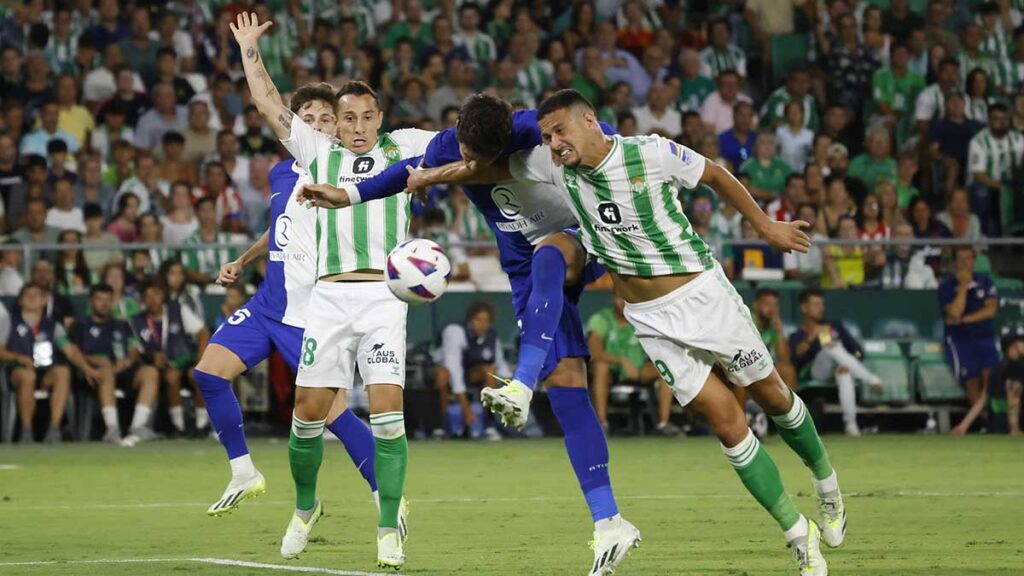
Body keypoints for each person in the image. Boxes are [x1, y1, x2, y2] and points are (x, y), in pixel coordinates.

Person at [415, 89, 843, 575]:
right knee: (726, 423)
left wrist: (766, 226)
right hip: (650, 319)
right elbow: (482, 169)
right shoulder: (551, 167)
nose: (553, 143)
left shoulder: (649, 152)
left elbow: (716, 175)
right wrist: (426, 175)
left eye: (561, 132)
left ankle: (826, 482)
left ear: (590, 122)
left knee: (773, 397)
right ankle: (798, 534)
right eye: (548, 136)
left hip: (703, 295)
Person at [299, 93, 638, 576]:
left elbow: (592, 140)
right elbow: (407, 172)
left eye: (477, 158)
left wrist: (444, 175)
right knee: (565, 388)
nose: (467, 160)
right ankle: (610, 523)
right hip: (521, 260)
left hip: (582, 232)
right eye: (464, 151)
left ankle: (519, 383)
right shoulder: (447, 143)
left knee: (551, 253)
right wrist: (350, 195)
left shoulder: (528, 129)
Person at [233, 12, 430, 568]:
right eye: (349, 117)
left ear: (380, 118)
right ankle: (304, 508)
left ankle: (389, 526)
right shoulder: (316, 154)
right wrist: (250, 48)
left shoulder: (405, 147)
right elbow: (269, 103)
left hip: (385, 301)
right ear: (335, 124)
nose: (359, 125)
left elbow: (466, 140)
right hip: (328, 300)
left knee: (388, 414)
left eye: (369, 116)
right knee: (307, 416)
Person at [195, 83, 394, 529]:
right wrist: (244, 259)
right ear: (295, 123)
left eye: (327, 119)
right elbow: (280, 226)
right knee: (209, 372)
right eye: (310, 118)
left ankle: (389, 496)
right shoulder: (282, 173)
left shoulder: (345, 175)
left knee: (334, 415)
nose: (318, 126)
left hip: (310, 312)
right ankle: (244, 473)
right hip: (269, 302)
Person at [0, 282, 102, 443]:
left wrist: (86, 368)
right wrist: (18, 358)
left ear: (44, 300)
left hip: (44, 371)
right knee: (27, 377)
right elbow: (0, 350)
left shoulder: (53, 326)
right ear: (20, 301)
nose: (33, 299)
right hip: (18, 371)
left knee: (63, 372)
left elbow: (70, 350)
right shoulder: (9, 321)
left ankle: (54, 429)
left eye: (37, 295)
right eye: (28, 295)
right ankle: (27, 431)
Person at [71, 283, 157, 444]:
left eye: (108, 300)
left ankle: (138, 427)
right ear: (91, 301)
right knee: (106, 368)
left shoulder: (122, 324)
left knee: (150, 372)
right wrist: (94, 360)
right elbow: (75, 352)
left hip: (122, 369)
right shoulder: (81, 326)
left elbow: (133, 348)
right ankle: (112, 428)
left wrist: (127, 361)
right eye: (99, 299)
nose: (104, 304)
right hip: (95, 374)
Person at [126, 281, 210, 443]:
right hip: (164, 366)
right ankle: (178, 426)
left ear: (163, 295)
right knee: (172, 377)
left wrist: (201, 361)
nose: (153, 299)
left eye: (156, 294)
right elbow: (137, 350)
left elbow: (203, 333)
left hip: (188, 359)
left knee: (197, 375)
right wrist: (152, 357)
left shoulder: (178, 310)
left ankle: (202, 423)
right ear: (142, 300)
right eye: (148, 296)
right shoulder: (136, 321)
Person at [790, 289, 882, 438]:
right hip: (816, 372)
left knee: (843, 370)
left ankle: (851, 424)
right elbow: (796, 358)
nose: (821, 308)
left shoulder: (835, 326)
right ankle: (869, 378)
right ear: (804, 308)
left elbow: (858, 351)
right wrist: (813, 336)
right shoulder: (798, 334)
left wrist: (848, 360)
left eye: (822, 304)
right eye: (815, 304)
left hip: (839, 368)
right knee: (830, 347)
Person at [587, 295, 679, 436]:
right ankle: (602, 424)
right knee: (601, 367)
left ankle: (663, 424)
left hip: (639, 368)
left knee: (665, 368)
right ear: (613, 299)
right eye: (619, 299)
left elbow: (659, 346)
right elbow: (595, 352)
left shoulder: (641, 318)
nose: (622, 303)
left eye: (626, 299)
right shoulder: (602, 319)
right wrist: (623, 362)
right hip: (612, 371)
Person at [939, 247, 1000, 436]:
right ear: (955, 262)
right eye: (961, 259)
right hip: (960, 339)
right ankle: (981, 420)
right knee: (972, 379)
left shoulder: (985, 281)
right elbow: (954, 311)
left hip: (985, 336)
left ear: (974, 261)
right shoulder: (947, 285)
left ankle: (995, 418)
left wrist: (964, 320)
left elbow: (990, 310)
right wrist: (964, 287)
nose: (965, 262)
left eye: (969, 258)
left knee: (990, 379)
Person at [434, 300, 510, 439]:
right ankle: (442, 427)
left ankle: (489, 425)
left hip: (470, 375)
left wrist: (516, 389)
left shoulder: (492, 335)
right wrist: (466, 409)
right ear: (470, 320)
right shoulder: (454, 331)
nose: (483, 324)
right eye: (478, 320)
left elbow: (501, 366)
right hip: (443, 372)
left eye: (487, 321)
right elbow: (454, 371)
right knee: (442, 375)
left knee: (489, 372)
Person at [751, 289, 798, 396]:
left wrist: (779, 331)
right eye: (767, 304)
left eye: (775, 305)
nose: (772, 309)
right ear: (756, 305)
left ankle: (788, 411)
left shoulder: (773, 324)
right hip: (745, 366)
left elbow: (784, 359)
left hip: (763, 368)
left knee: (788, 370)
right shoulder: (747, 321)